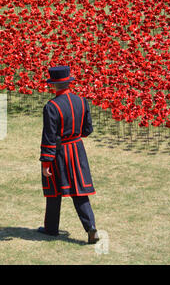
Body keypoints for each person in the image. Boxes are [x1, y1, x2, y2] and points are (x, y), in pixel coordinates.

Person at [37, 66, 99, 244]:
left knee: (53, 190)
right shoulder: (82, 101)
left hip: (60, 153)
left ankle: (51, 228)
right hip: (77, 150)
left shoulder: (51, 106)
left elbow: (49, 136)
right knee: (79, 191)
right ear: (68, 81)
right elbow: (88, 129)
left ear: (54, 85)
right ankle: (91, 227)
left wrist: (46, 162)